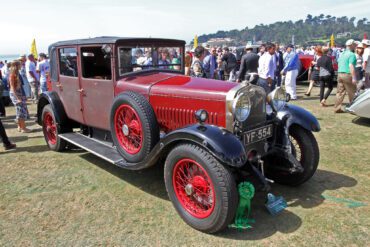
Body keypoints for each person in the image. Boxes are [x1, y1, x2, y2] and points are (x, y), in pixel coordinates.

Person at [334, 39, 357, 113]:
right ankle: (353, 108)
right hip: (347, 74)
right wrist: (353, 77)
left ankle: (337, 108)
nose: (355, 46)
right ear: (351, 45)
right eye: (354, 44)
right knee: (352, 92)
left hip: (340, 73)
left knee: (340, 92)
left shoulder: (342, 54)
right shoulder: (352, 54)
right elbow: (351, 66)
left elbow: (338, 63)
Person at [8, 61, 31, 132]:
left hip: (19, 93)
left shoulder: (17, 73)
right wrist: (18, 98)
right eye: (20, 65)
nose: (21, 66)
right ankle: (23, 128)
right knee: (21, 111)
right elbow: (12, 88)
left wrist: (23, 96)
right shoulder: (12, 75)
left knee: (20, 110)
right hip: (15, 94)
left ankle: (20, 127)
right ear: (16, 66)